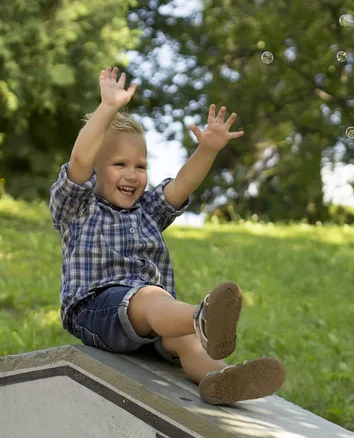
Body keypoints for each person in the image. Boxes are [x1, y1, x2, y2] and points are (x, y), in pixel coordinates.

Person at [49, 66, 285, 405]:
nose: (132, 174)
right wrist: (108, 108)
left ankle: (220, 379)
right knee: (152, 299)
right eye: (119, 164)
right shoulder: (78, 208)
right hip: (96, 309)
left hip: (151, 315)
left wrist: (208, 149)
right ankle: (199, 317)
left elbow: (181, 185)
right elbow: (79, 159)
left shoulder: (146, 210)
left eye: (140, 166)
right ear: (95, 172)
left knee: (184, 339)